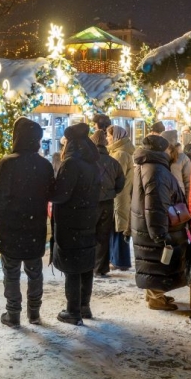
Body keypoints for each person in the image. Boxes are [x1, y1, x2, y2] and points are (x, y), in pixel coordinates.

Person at [0, 118, 54, 328]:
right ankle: (34, 313)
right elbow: (52, 194)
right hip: (35, 227)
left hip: (11, 227)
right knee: (35, 272)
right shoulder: (44, 165)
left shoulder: (8, 163)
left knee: (11, 273)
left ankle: (13, 313)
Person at [50, 122, 102, 325]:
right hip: (89, 219)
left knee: (72, 266)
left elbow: (61, 195)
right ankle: (84, 306)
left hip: (70, 221)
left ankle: (73, 311)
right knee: (85, 264)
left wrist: (50, 188)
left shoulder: (71, 164)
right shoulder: (93, 163)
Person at [131, 134, 189, 310]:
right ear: (162, 150)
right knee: (157, 262)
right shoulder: (156, 171)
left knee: (152, 262)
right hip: (155, 225)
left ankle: (154, 295)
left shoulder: (146, 166)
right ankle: (156, 298)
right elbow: (155, 205)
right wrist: (160, 234)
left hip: (145, 224)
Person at [90, 129, 125, 277]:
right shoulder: (113, 162)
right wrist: (112, 192)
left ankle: (90, 265)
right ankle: (101, 268)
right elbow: (121, 182)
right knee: (103, 236)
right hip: (108, 203)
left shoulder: (89, 162)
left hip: (91, 202)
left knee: (90, 234)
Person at [107, 125, 135, 271]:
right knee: (119, 226)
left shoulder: (120, 154)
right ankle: (118, 259)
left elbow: (117, 177)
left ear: (116, 137)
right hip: (121, 195)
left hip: (120, 196)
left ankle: (120, 260)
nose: (107, 138)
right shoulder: (120, 152)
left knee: (120, 226)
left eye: (109, 136)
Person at [162, 130, 191, 198]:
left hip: (178, 197)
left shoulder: (183, 158)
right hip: (163, 195)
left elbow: (188, 182)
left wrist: (186, 200)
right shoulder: (160, 156)